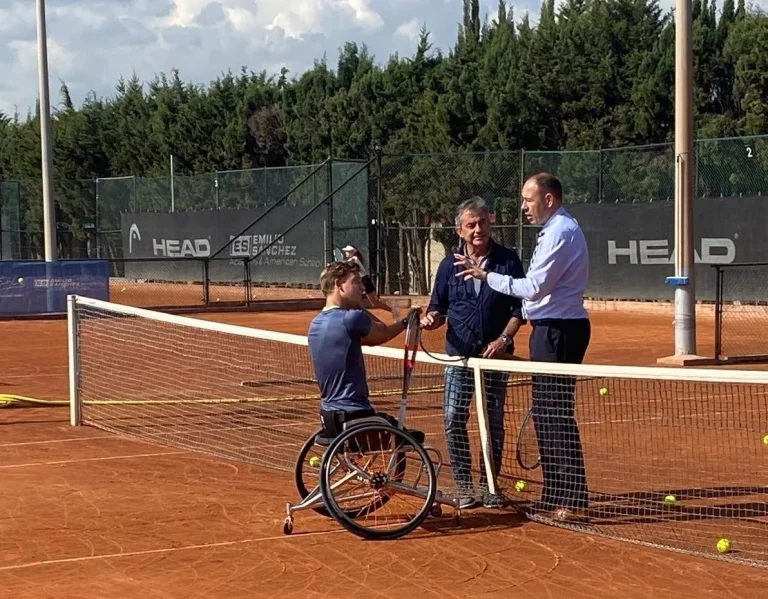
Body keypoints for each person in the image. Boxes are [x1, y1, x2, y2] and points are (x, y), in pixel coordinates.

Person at [454, 173, 591, 522]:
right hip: (549, 330)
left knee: (555, 413)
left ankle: (573, 500)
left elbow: (534, 287)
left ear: (548, 199)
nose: (523, 207)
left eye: (528, 200)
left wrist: (487, 277)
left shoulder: (561, 231)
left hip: (560, 331)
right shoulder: (554, 230)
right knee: (545, 414)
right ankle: (555, 493)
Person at [420, 197, 526, 509]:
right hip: (458, 357)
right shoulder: (447, 266)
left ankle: (490, 487)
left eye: (482, 222)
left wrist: (504, 339)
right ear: (460, 231)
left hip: (495, 358)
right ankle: (465, 487)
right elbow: (437, 307)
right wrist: (431, 320)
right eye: (471, 225)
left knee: (492, 421)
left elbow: (520, 308)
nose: (478, 229)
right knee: (454, 418)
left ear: (490, 224)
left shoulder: (508, 260)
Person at [307, 260, 418, 439]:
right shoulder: (353, 319)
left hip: (329, 417)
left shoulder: (315, 324)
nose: (362, 288)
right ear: (338, 284)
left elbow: (368, 340)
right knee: (411, 437)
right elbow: (382, 333)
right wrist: (406, 322)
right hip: (356, 415)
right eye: (356, 282)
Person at [341, 245, 399, 319]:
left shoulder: (354, 258)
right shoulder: (353, 260)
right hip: (360, 281)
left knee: (374, 303)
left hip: (365, 281)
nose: (346, 253)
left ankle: (393, 310)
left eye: (347, 251)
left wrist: (333, 265)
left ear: (352, 252)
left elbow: (347, 263)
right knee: (357, 301)